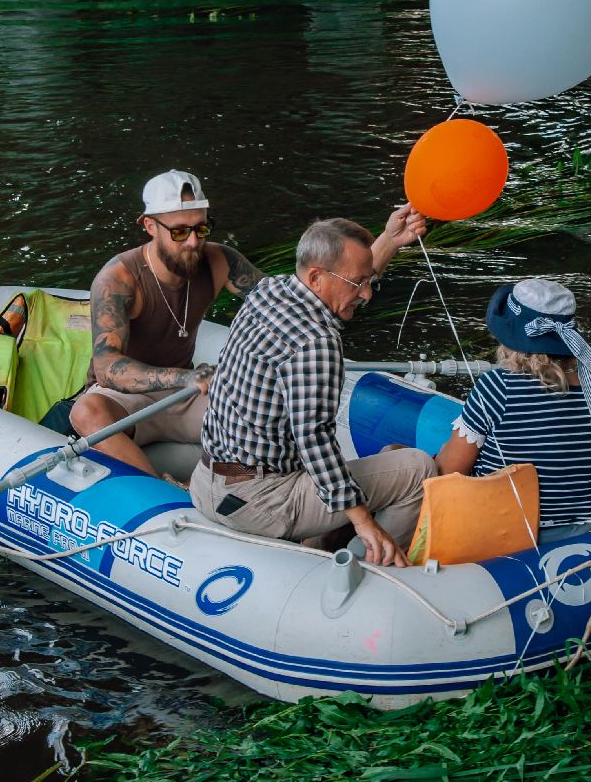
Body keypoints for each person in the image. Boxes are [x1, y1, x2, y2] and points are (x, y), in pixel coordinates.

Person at [190, 213, 437, 567]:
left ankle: (321, 542)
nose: (366, 294)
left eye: (369, 281)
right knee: (418, 468)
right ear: (316, 277)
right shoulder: (317, 342)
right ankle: (372, 572)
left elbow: (339, 294)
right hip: (263, 501)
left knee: (389, 453)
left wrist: (390, 240)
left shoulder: (270, 290)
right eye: (358, 283)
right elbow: (314, 438)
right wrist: (364, 522)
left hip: (209, 482)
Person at [71, 170, 266, 477]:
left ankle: (249, 486)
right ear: (150, 225)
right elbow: (108, 369)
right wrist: (184, 378)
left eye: (202, 228)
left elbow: (284, 304)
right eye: (179, 232)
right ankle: (161, 494)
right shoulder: (118, 278)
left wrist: (362, 271)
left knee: (262, 401)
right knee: (86, 413)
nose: (193, 242)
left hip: (186, 397)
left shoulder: (219, 261)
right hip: (127, 399)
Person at [434, 278, 591, 539]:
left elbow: (450, 472)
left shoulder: (498, 386)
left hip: (508, 528)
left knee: (404, 456)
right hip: (583, 523)